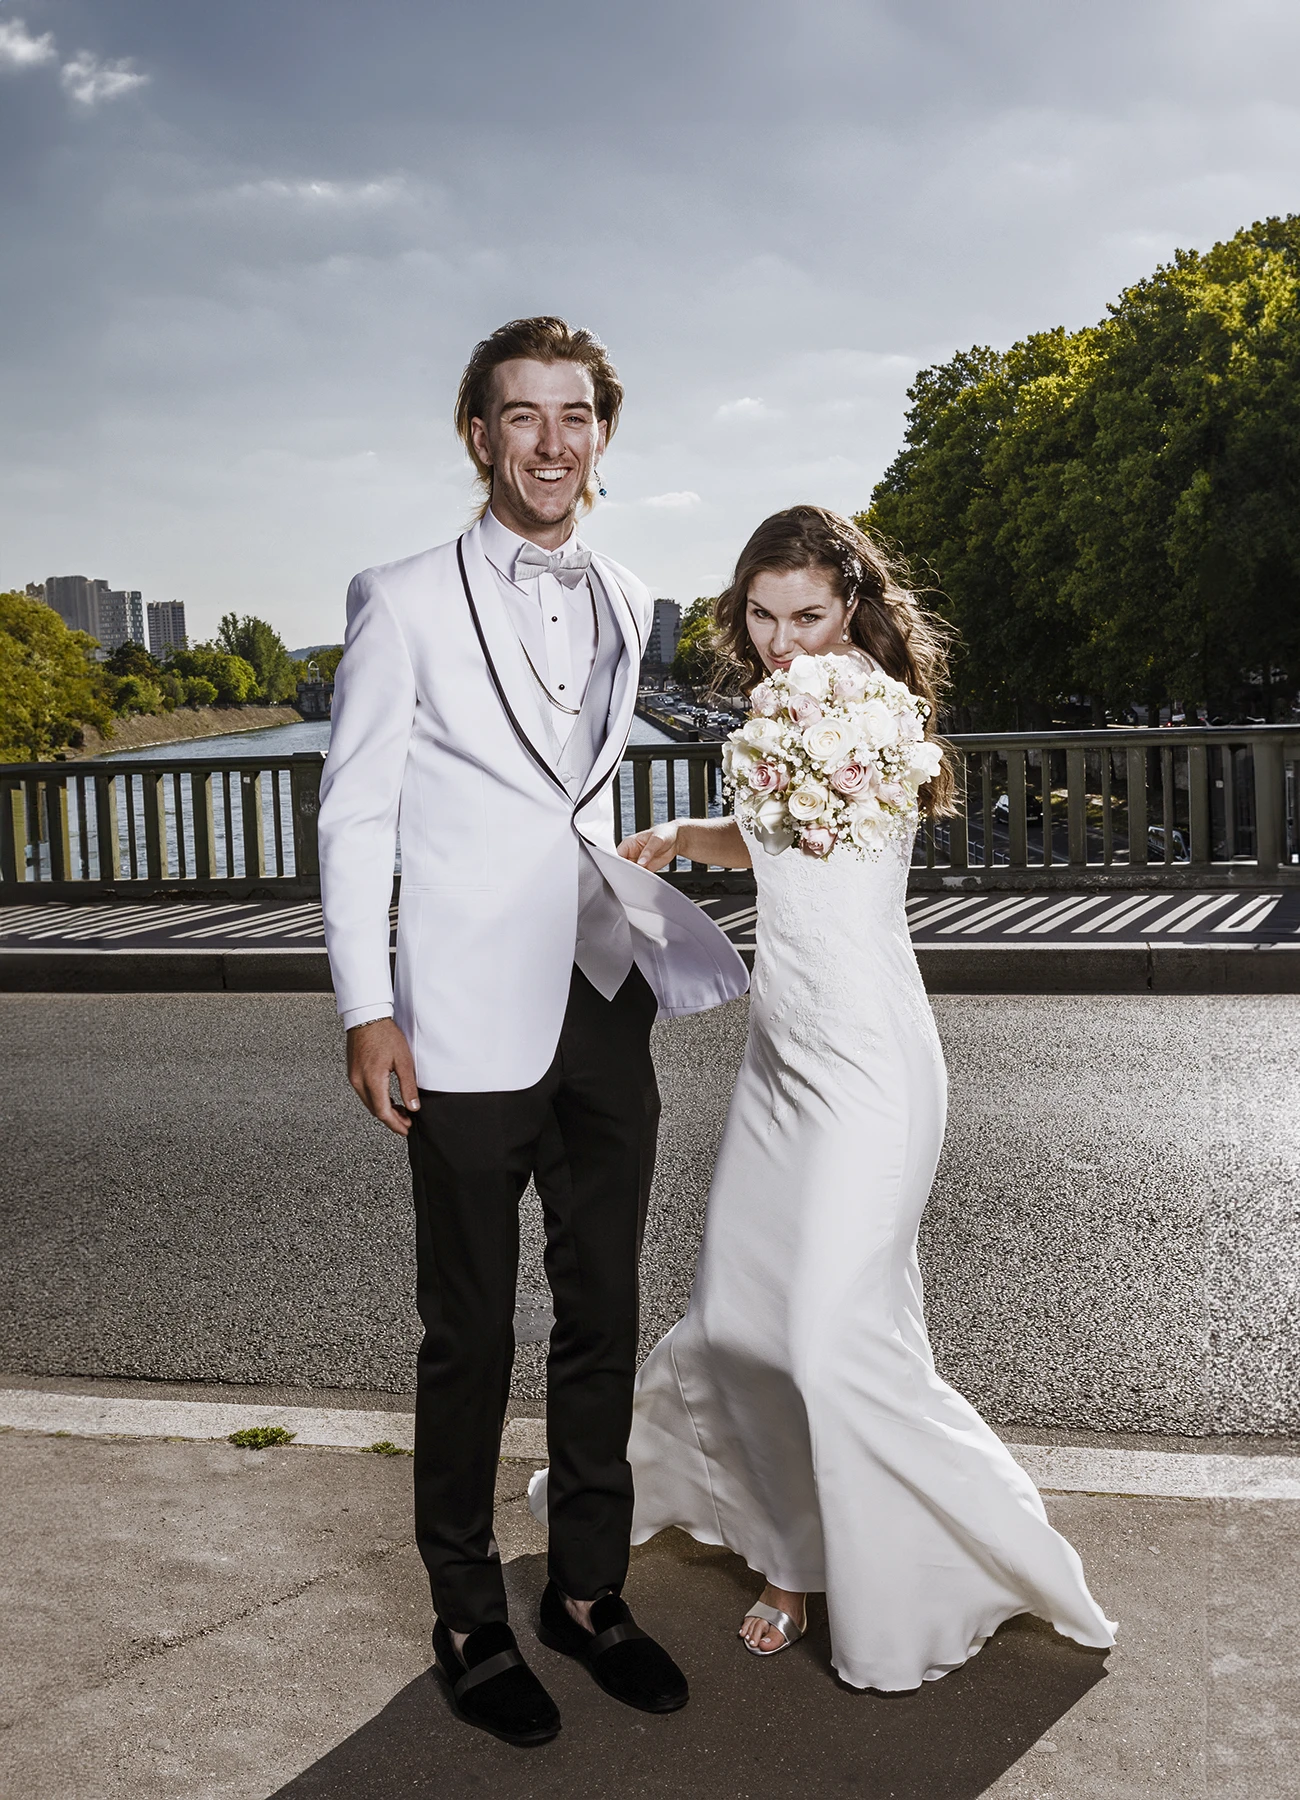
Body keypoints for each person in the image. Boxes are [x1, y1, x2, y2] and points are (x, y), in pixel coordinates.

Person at [317, 317, 747, 1746]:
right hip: (457, 1013)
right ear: (478, 434)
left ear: (602, 436)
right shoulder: (402, 595)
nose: (552, 441)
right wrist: (368, 1005)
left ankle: (587, 1592)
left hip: (600, 993)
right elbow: (357, 810)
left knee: (605, 1314)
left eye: (577, 416)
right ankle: (464, 1614)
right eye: (523, 416)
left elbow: (571, 789)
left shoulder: (628, 592)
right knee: (469, 1330)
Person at [617, 505, 1116, 1692]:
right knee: (741, 1322)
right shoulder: (776, 722)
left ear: (853, 609)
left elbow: (853, 806)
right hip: (780, 1060)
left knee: (833, 1343)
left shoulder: (876, 718)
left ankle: (971, 1554)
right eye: (762, 616)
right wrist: (692, 832)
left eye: (810, 615)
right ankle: (791, 1553)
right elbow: (781, 840)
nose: (785, 643)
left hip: (872, 1068)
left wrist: (808, 724)